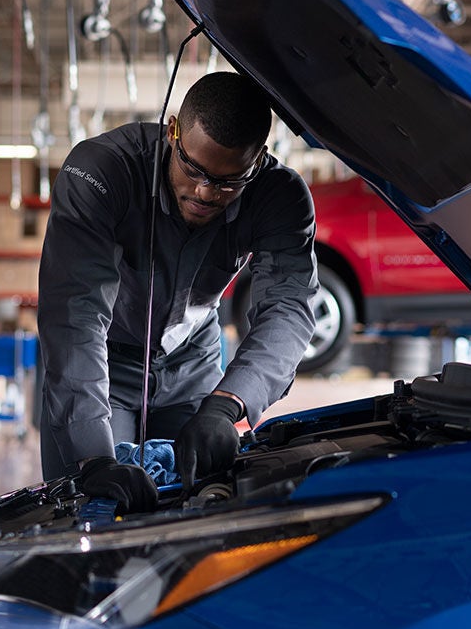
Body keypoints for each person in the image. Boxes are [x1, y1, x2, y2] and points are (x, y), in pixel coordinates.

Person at [38, 71, 319, 513]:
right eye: (194, 170)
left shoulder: (279, 197)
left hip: (192, 364)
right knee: (91, 515)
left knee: (203, 510)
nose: (206, 192)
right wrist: (92, 457)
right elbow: (75, 315)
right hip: (103, 364)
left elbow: (288, 306)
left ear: (259, 159)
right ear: (173, 132)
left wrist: (228, 404)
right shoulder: (102, 172)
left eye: (229, 181)